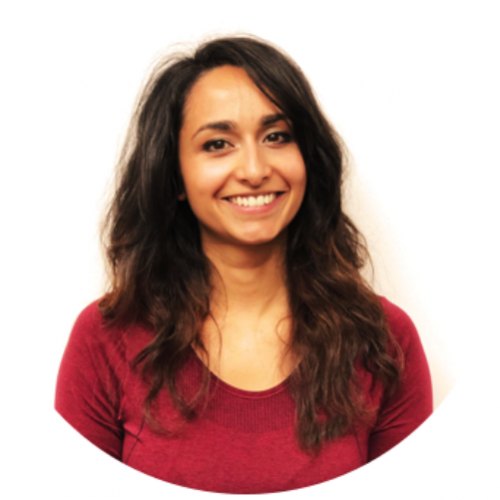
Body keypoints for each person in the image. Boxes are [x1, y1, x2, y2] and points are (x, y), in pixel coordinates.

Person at [55, 35, 433, 494]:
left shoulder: (385, 341)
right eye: (218, 144)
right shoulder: (104, 340)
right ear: (175, 176)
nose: (254, 170)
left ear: (307, 158)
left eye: (277, 137)